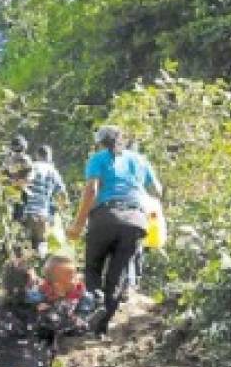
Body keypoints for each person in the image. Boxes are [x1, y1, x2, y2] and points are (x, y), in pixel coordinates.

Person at [66, 125, 163, 336]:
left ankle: (95, 300)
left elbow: (92, 190)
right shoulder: (139, 160)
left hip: (105, 218)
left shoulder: (98, 158)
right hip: (135, 222)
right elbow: (158, 189)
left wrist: (78, 225)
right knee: (117, 276)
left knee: (92, 268)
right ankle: (101, 328)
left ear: (101, 143)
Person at [23, 146, 69, 259]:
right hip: (43, 215)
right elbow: (62, 194)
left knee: (24, 247)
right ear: (49, 157)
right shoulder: (54, 172)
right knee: (41, 247)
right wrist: (64, 211)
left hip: (28, 212)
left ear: (37, 155)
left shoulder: (32, 167)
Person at [1, 134, 34, 217]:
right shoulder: (9, 160)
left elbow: (30, 176)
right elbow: (2, 175)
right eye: (16, 150)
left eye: (19, 150)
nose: (17, 152)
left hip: (20, 192)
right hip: (11, 191)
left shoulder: (25, 160)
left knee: (19, 215)